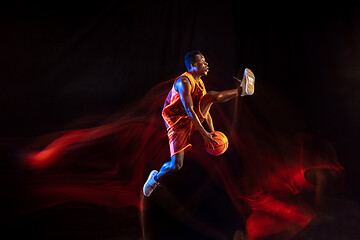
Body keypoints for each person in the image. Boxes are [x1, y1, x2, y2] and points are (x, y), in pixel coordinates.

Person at [143, 50, 255, 197]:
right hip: (177, 123)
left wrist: (212, 133)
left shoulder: (200, 83)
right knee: (176, 165)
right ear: (193, 65)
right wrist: (205, 135)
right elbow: (189, 111)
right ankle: (155, 179)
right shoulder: (184, 82)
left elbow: (205, 110)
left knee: (208, 97)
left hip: (191, 117)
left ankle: (241, 91)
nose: (206, 63)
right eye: (203, 61)